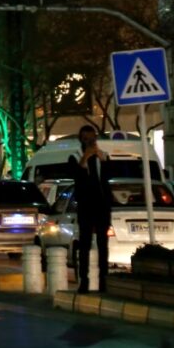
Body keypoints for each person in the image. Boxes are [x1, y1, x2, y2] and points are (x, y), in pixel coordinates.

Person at [71, 125, 112, 294]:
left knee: (103, 244)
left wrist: (102, 159)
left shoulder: (103, 156)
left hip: (102, 206)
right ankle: (84, 281)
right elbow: (77, 177)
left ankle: (103, 280)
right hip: (86, 207)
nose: (90, 141)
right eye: (86, 138)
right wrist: (85, 159)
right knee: (85, 245)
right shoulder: (76, 156)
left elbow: (108, 178)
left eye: (92, 138)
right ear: (81, 140)